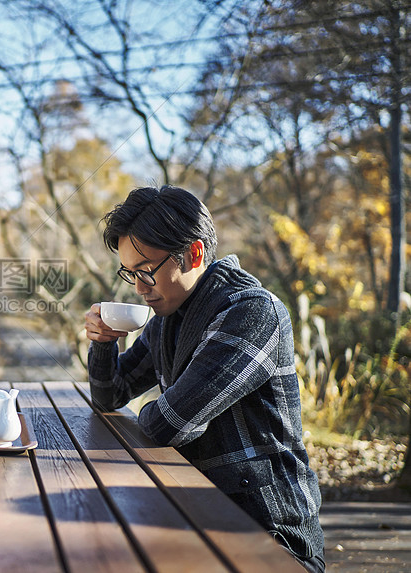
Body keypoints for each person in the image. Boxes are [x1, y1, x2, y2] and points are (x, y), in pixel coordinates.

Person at [84, 185, 325, 572]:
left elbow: (169, 424)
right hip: (191, 512)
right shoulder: (168, 314)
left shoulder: (251, 313)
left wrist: (153, 410)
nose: (139, 288)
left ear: (193, 253)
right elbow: (111, 395)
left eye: (146, 271)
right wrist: (103, 343)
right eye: (130, 273)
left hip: (268, 534)